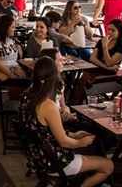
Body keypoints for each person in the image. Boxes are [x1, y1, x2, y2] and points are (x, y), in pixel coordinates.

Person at [19, 57, 114, 185]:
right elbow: (65, 143)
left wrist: (73, 134)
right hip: (55, 162)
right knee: (108, 166)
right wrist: (82, 142)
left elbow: (44, 130)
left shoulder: (26, 95)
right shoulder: (48, 106)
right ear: (54, 78)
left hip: (37, 157)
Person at [0, 15, 26, 93]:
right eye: (13, 27)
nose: (14, 30)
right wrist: (10, 74)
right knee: (11, 84)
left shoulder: (12, 40)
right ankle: (13, 102)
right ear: (5, 28)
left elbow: (19, 58)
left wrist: (19, 48)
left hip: (14, 66)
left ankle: (20, 102)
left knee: (23, 83)